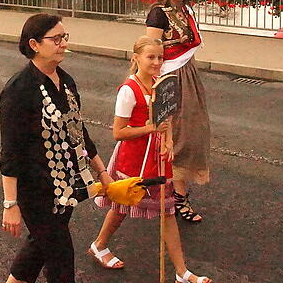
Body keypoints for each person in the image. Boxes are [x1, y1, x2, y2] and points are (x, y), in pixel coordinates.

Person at [0, 13, 113, 283]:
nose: (63, 43)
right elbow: (10, 152)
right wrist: (10, 204)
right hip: (37, 192)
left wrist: (102, 172)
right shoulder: (19, 90)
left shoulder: (66, 81)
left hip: (67, 185)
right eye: (56, 39)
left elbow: (79, 132)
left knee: (39, 247)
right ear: (35, 44)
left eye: (64, 37)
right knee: (61, 258)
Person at [89, 36, 212, 282]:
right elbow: (118, 132)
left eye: (160, 57)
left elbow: (166, 120)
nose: (157, 62)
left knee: (167, 212)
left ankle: (181, 272)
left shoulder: (161, 84)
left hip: (158, 158)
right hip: (133, 160)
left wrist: (168, 141)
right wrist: (150, 129)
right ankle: (99, 245)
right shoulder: (128, 90)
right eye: (151, 57)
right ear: (136, 58)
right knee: (121, 206)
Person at [145, 0, 209, 223]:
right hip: (169, 79)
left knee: (193, 132)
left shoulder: (186, 10)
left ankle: (174, 190)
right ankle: (178, 197)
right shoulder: (158, 14)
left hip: (188, 75)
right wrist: (152, 84)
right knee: (177, 136)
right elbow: (150, 50)